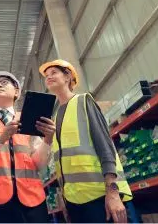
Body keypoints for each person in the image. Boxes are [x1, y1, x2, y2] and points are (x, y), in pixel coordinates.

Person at [39, 59, 133, 223]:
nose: (48, 77)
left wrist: (113, 193)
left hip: (99, 197)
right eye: (46, 75)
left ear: (67, 77)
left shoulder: (83, 101)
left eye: (54, 72)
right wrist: (65, 201)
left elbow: (105, 146)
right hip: (74, 201)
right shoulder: (55, 117)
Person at [0, 71, 55, 223]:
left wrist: (47, 140)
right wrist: (1, 138)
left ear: (17, 92)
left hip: (32, 199)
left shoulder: (30, 117)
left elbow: (39, 164)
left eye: (4, 82)